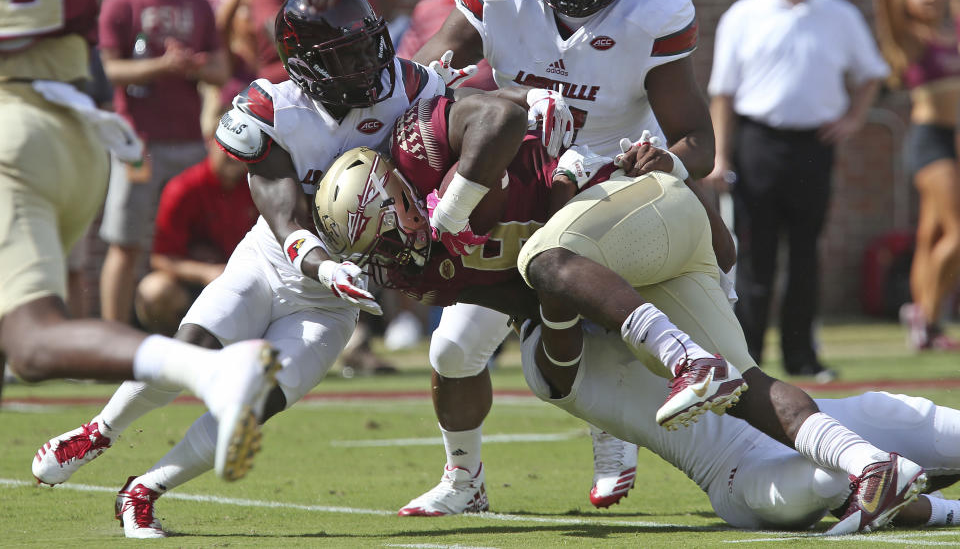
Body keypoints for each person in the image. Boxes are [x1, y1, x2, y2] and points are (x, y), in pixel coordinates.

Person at [315, 91, 928, 535]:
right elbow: (531, 310)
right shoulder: (420, 268)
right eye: (377, 248)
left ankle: (687, 363)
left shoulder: (444, 153)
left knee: (544, 258)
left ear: (399, 191)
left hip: (646, 219)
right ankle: (874, 466)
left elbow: (501, 120)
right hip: (634, 280)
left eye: (386, 230)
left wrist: (522, 184)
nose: (392, 251)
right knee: (748, 390)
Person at [29, 0, 450, 539]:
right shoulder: (273, 108)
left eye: (369, 45)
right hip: (270, 263)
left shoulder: (413, 87)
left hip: (330, 307)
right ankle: (101, 430)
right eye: (344, 55)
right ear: (306, 64)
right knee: (191, 352)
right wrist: (324, 264)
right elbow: (282, 212)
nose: (368, 64)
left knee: (252, 408)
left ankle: (144, 489)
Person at [0, 0, 342, 483]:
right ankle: (109, 429)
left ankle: (211, 372)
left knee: (31, 342)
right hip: (68, 127)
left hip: (16, 120)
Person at [402, 0, 717, 513]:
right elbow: (428, 72)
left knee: (588, 339)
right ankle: (464, 481)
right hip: (517, 179)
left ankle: (616, 435)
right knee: (452, 347)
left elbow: (698, 143)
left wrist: (663, 162)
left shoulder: (654, 11)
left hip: (609, 185)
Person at [522, 317, 957, 532]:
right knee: (829, 480)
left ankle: (896, 481)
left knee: (895, 414)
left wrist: (670, 172)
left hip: (799, 413)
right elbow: (562, 280)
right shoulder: (544, 349)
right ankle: (946, 509)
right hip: (734, 470)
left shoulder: (649, 259)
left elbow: (716, 243)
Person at [706, 0, 888, 379]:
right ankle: (747, 360)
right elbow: (722, 92)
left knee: (806, 253)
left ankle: (801, 356)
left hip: (813, 145)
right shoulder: (744, 14)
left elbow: (871, 73)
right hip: (758, 142)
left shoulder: (839, 15)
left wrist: (853, 119)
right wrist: (721, 156)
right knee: (755, 256)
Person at [98, 0, 228, 326]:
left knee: (199, 244)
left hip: (189, 141)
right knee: (126, 241)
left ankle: (205, 332)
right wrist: (161, 66)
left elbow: (220, 71)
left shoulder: (197, 3)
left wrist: (191, 65)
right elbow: (109, 69)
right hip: (137, 144)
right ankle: (112, 336)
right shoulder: (120, 2)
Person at [869, 0, 960, 351]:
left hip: (954, 143)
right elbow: (882, 2)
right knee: (958, 234)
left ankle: (923, 323)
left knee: (933, 236)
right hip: (930, 143)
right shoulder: (909, 40)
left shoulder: (954, 28)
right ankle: (927, 315)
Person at [135, 139, 258, 336]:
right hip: (192, 285)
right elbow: (161, 258)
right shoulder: (183, 188)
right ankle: (169, 348)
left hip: (247, 279)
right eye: (228, 145)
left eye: (243, 145)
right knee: (154, 291)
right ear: (211, 142)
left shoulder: (258, 186)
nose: (233, 154)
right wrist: (205, 272)